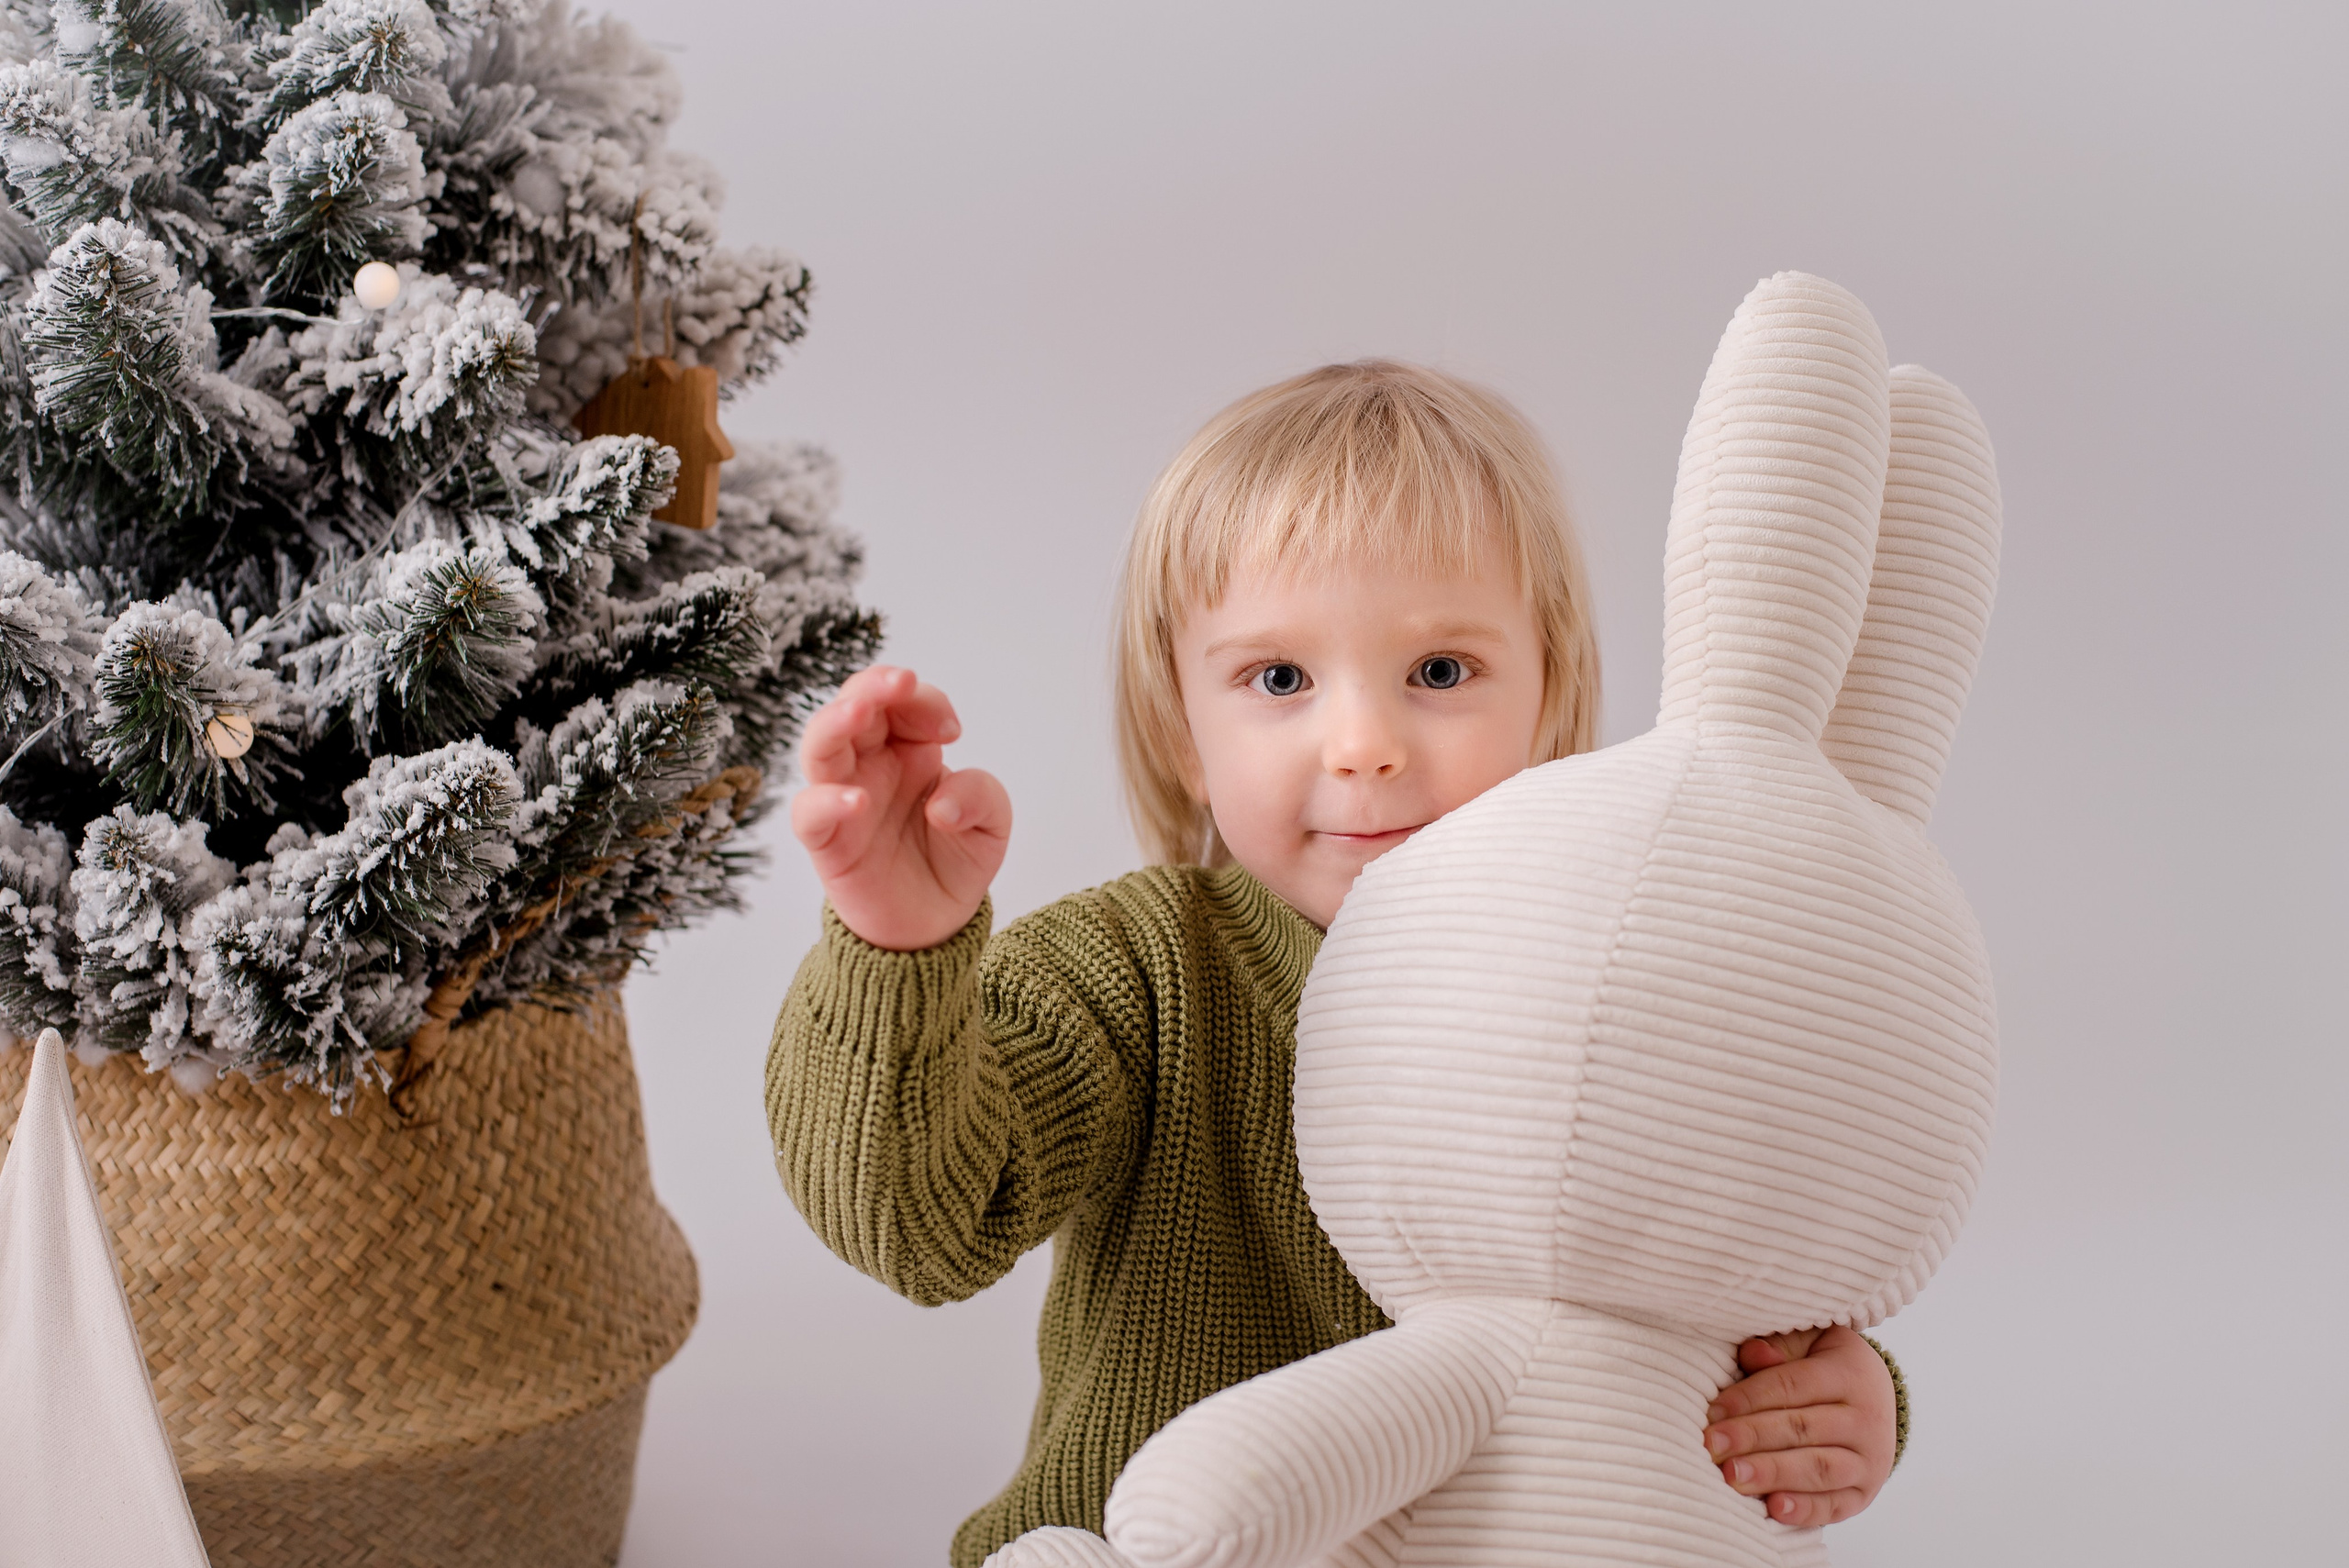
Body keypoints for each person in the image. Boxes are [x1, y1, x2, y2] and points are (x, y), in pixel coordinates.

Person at [767, 361, 1906, 1567]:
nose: (1363, 745)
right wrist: (898, 951)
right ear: (1182, 730)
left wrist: (1846, 1391)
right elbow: (921, 1226)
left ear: (1550, 695)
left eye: (1440, 672)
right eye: (1280, 679)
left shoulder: (1636, 988)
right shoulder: (1135, 973)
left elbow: (1732, 1248)